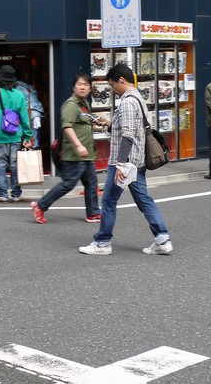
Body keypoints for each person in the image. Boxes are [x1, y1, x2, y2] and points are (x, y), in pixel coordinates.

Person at [79, 63, 173, 256]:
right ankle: (162, 240)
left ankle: (103, 243)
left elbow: (128, 135)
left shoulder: (128, 102)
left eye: (112, 85)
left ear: (121, 80)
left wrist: (120, 164)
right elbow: (132, 128)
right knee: (144, 200)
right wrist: (108, 124)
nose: (112, 89)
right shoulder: (138, 97)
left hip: (125, 162)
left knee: (108, 201)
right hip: (137, 161)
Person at [31, 74, 104, 224]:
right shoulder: (70, 105)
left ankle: (93, 213)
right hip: (75, 153)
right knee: (68, 183)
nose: (82, 87)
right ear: (74, 87)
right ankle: (40, 205)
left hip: (87, 154)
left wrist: (98, 125)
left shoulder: (84, 104)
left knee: (91, 184)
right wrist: (78, 145)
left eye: (86, 85)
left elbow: (83, 125)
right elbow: (67, 127)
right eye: (79, 84)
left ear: (90, 88)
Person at [0, 65, 34, 203]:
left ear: (1, 78)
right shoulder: (19, 95)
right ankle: (16, 194)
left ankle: (2, 194)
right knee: (15, 166)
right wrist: (27, 135)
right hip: (15, 136)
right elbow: (24, 117)